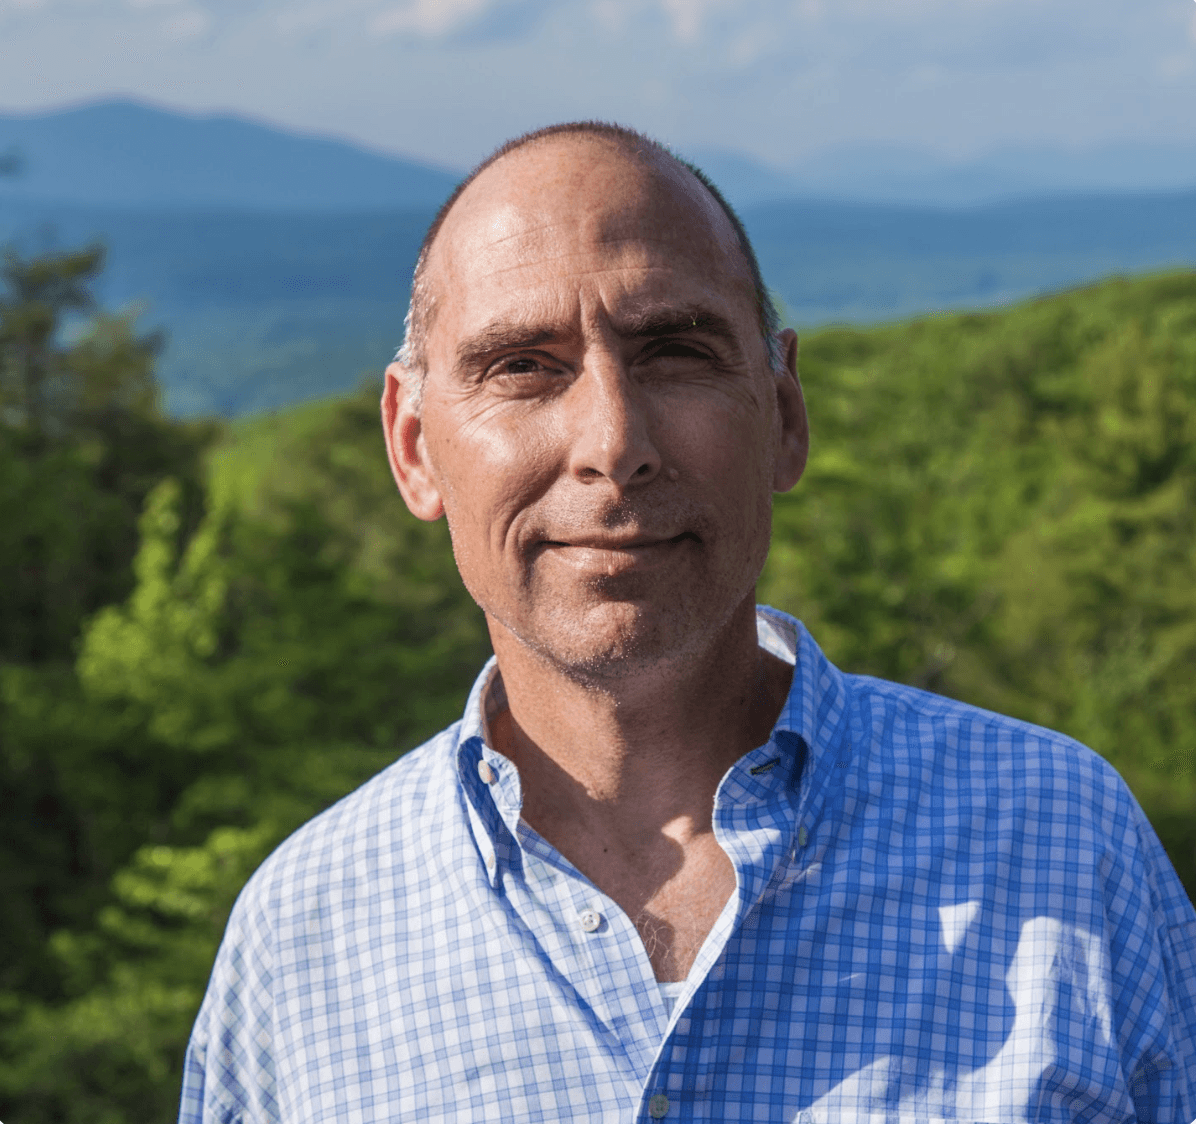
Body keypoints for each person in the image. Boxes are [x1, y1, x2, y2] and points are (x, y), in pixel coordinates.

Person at [179, 122, 1196, 1124]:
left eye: (672, 350)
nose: (612, 442)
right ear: (413, 446)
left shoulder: (1059, 839)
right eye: (522, 367)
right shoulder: (301, 935)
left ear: (784, 415)